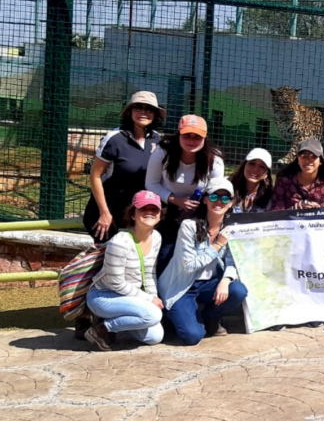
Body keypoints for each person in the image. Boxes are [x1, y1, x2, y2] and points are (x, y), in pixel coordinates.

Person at [158, 178, 248, 345]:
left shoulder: (230, 229)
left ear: (231, 203)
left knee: (238, 290)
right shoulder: (189, 226)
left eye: (225, 198)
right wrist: (217, 245)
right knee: (192, 336)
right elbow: (189, 265)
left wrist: (225, 281)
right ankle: (173, 315)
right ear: (205, 199)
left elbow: (233, 261)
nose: (219, 202)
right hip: (182, 286)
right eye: (214, 197)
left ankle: (210, 317)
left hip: (209, 284)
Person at [84, 190, 165, 351]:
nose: (149, 212)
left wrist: (153, 296)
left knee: (154, 337)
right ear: (133, 214)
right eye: (143, 208)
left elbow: (149, 273)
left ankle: (117, 324)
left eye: (154, 209)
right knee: (153, 315)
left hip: (130, 297)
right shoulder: (120, 242)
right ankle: (103, 328)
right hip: (104, 296)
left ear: (159, 215)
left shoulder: (156, 237)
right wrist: (148, 300)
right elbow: (116, 283)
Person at [145, 114, 224, 274]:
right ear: (179, 134)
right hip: (168, 209)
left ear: (205, 138)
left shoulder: (213, 159)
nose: (191, 141)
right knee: (165, 253)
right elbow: (151, 183)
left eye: (197, 137)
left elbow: (216, 190)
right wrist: (175, 200)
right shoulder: (163, 152)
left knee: (192, 256)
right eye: (187, 135)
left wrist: (197, 208)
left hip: (200, 210)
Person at [84, 91, 164, 244]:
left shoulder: (157, 139)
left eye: (148, 109)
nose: (143, 112)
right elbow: (95, 176)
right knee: (108, 260)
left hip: (138, 212)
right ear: (129, 112)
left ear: (155, 114)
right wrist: (104, 213)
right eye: (138, 107)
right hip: (111, 211)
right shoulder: (115, 138)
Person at [271, 138, 324, 210]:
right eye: (303, 155)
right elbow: (276, 214)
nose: (307, 160)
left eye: (312, 156)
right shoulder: (284, 181)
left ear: (321, 161)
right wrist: (295, 208)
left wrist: (319, 211)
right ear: (298, 159)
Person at [228, 148, 274, 213]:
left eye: (262, 166)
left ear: (266, 174)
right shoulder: (226, 187)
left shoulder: (270, 198)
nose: (255, 169)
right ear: (244, 165)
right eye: (252, 163)